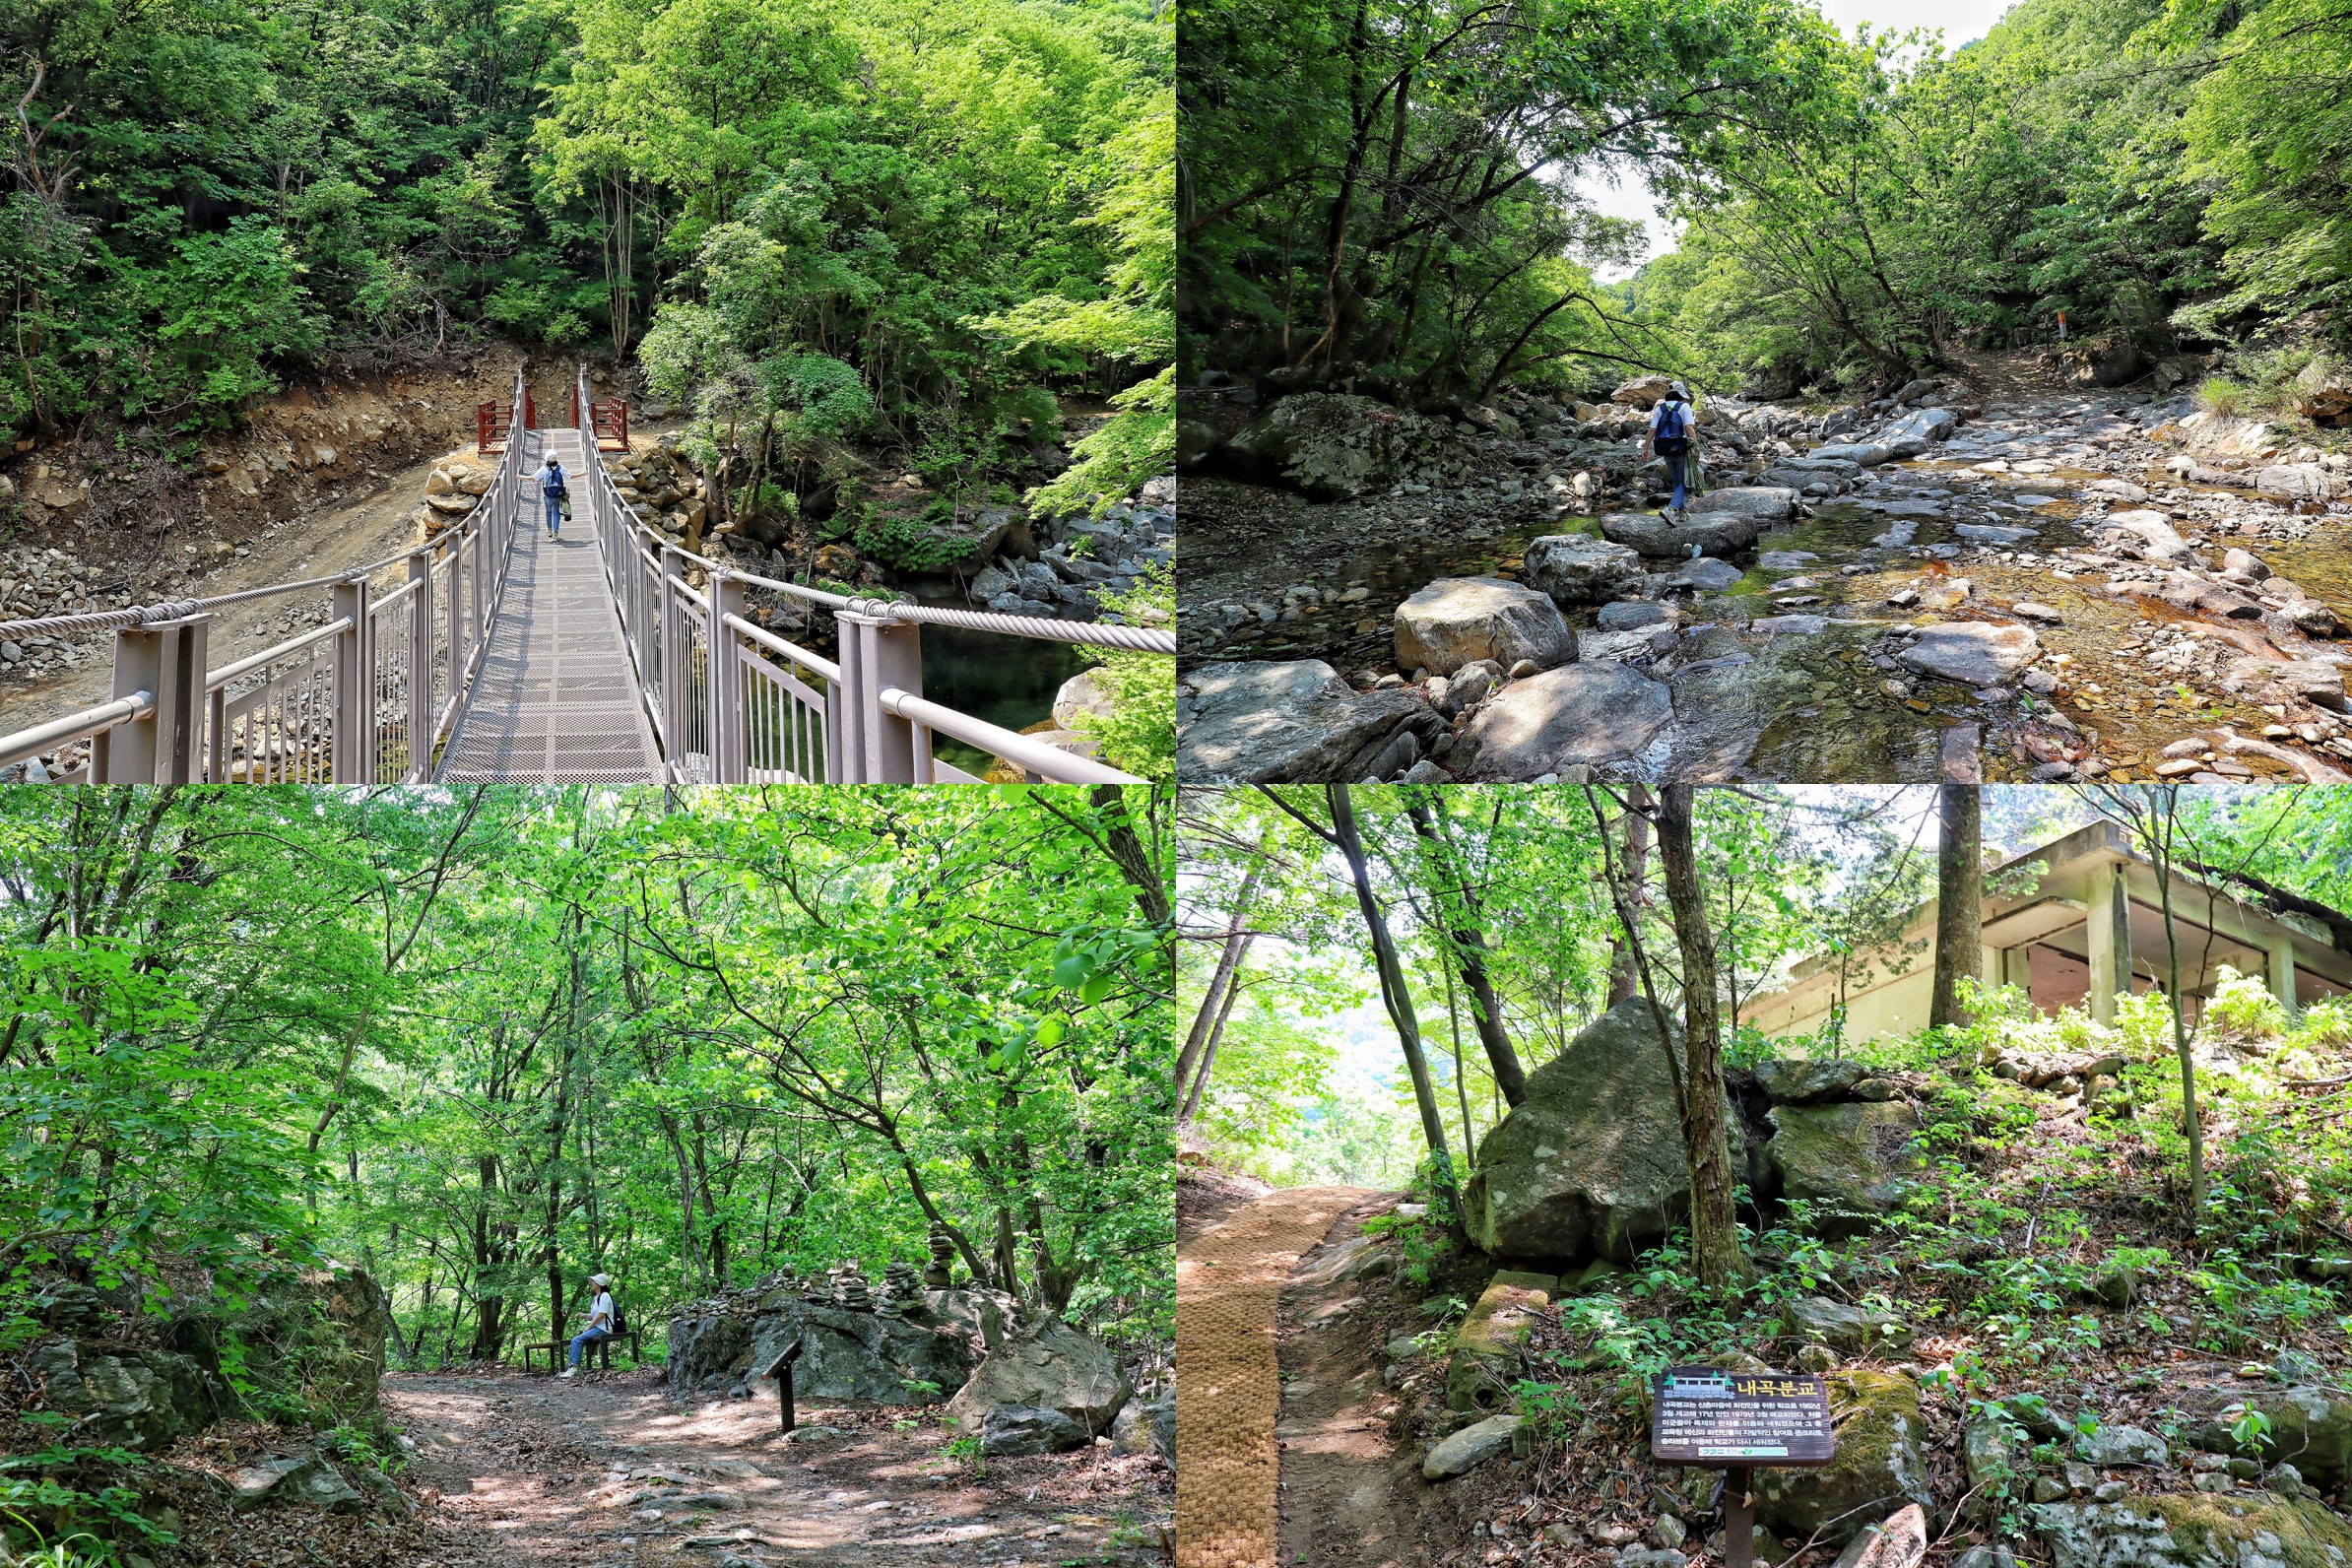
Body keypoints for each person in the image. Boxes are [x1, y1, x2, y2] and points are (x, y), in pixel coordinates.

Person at [1642, 381, 1698, 520]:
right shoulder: (1684, 406)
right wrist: (1696, 446)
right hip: (1681, 448)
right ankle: (1671, 509)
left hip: (1665, 448)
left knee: (1676, 481)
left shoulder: (1661, 408)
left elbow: (1652, 430)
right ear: (1681, 394)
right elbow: (1689, 428)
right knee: (1685, 482)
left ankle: (1683, 513)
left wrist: (1645, 448)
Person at [559, 1273, 616, 1377]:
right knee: (576, 1339)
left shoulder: (604, 1296)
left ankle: (574, 1368)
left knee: (577, 1340)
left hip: (603, 1329)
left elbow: (601, 1315)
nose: (591, 1283)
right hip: (598, 1327)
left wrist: (589, 1327)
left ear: (599, 1283)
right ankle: (572, 1367)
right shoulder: (597, 1298)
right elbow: (594, 1316)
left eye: (593, 1281)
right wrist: (583, 1315)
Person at [537, 454, 567, 539]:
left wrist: (521, 477)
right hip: (557, 494)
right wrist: (582, 473)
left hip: (548, 494)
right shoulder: (560, 468)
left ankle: (549, 530)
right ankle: (556, 533)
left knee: (548, 512)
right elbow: (570, 476)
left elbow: (534, 477)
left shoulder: (543, 469)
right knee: (556, 513)